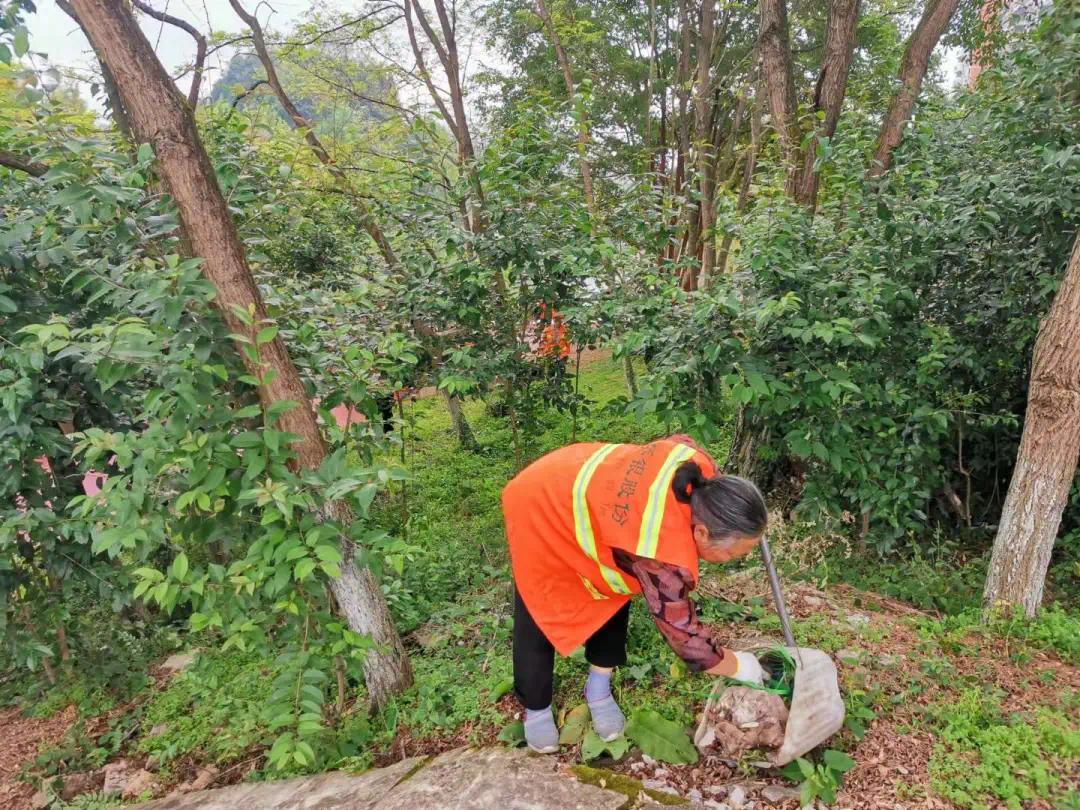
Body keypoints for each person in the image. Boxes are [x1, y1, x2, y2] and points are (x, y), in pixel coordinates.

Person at [501, 435, 769, 753]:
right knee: (539, 604)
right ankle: (536, 708)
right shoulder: (661, 556)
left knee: (613, 589)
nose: (735, 561)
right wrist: (738, 666)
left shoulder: (706, 481)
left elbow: (682, 440)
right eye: (734, 555)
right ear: (702, 532)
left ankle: (598, 688)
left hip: (596, 508)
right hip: (543, 504)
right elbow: (683, 635)